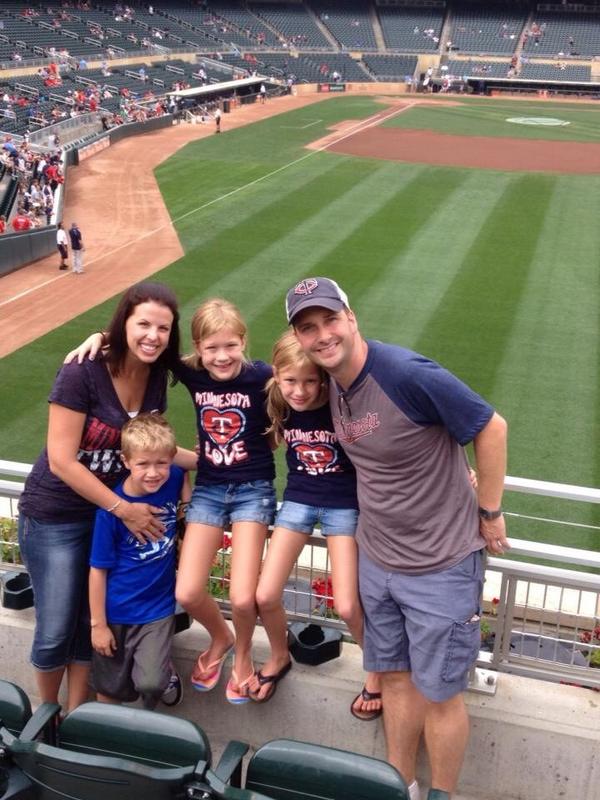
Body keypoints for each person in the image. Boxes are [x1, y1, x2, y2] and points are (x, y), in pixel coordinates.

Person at [285, 277, 508, 800]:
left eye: (329, 320)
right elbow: (238, 370)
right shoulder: (331, 381)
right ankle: (400, 785)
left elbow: (489, 426)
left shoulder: (403, 373)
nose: (322, 336)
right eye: (308, 328)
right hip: (379, 560)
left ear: (351, 316)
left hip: (441, 565)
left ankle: (441, 795)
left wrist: (490, 511)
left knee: (441, 694)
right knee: (397, 679)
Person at [18, 282, 191, 712]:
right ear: (123, 323)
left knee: (87, 626)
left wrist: (209, 462)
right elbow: (61, 460)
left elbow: (148, 447)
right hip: (55, 516)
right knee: (56, 627)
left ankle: (77, 716)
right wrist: (123, 509)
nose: (153, 335)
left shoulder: (154, 379)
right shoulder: (82, 371)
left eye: (163, 328)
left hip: (104, 517)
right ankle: (47, 714)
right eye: (143, 324)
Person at [249, 331, 381, 719]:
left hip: (343, 506)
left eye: (310, 381)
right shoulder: (277, 399)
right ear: (276, 375)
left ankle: (376, 671)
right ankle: (278, 656)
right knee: (265, 594)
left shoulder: (342, 403)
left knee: (346, 604)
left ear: (323, 378)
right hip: (298, 500)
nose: (301, 391)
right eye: (290, 381)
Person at [174, 298, 275, 704]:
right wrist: (97, 337)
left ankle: (246, 656)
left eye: (230, 346)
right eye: (211, 348)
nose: (221, 356)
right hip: (210, 488)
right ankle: (222, 637)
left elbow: (303, 389)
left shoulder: (263, 376)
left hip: (253, 489)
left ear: (244, 341)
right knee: (186, 591)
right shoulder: (190, 372)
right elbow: (145, 351)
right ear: (198, 347)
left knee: (241, 595)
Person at [89, 414, 190, 709]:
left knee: (150, 683)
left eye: (161, 463)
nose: (153, 473)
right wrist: (98, 625)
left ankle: (162, 674)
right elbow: (97, 570)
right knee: (109, 689)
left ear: (171, 458)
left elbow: (183, 471)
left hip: (157, 609)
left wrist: (186, 503)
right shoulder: (110, 512)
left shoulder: (172, 477)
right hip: (116, 611)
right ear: (126, 461)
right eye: (143, 464)